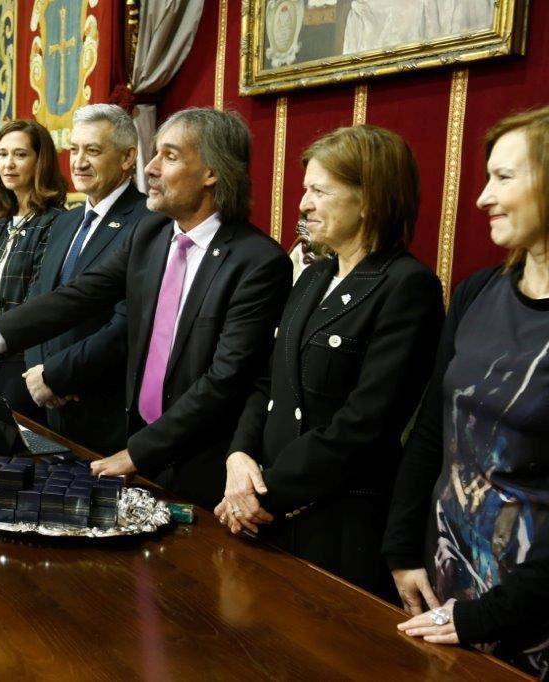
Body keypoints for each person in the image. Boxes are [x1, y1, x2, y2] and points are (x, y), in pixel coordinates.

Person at [0, 108, 291, 508]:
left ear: (212, 172)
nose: (153, 168)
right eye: (155, 154)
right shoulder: (152, 233)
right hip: (133, 443)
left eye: (171, 156)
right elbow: (74, 298)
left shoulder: (258, 262)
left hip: (197, 463)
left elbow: (224, 380)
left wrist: (139, 452)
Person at [215, 125, 444, 599]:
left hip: (335, 523)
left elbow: (364, 425)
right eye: (305, 190)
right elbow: (268, 383)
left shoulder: (407, 287)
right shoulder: (313, 276)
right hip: (266, 509)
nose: (303, 205)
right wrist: (239, 457)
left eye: (319, 190)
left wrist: (260, 495)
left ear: (370, 200)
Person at [383, 107, 549, 678]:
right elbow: (434, 427)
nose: (481, 198)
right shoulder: (480, 291)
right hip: (443, 588)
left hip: (530, 617)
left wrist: (488, 616)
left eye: (504, 178)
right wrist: (403, 550)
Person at [22, 103, 151, 454]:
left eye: (92, 151)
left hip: (103, 409)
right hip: (47, 402)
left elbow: (128, 324)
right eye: (74, 149)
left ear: (127, 158)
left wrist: (60, 376)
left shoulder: (149, 223)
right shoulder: (65, 221)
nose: (78, 162)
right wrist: (39, 371)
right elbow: (38, 301)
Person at [0, 119, 67, 421]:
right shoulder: (3, 221)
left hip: (19, 361)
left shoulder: (54, 222)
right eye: (3, 154)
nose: (8, 164)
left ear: (40, 161)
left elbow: (35, 303)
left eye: (20, 155)